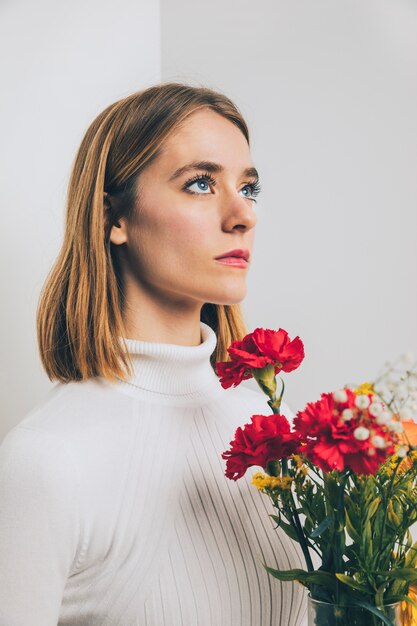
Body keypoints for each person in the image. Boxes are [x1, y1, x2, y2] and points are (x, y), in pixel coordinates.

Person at [0, 82, 307, 625]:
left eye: (249, 188)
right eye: (200, 183)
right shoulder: (46, 461)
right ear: (113, 217)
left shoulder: (262, 425)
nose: (243, 216)